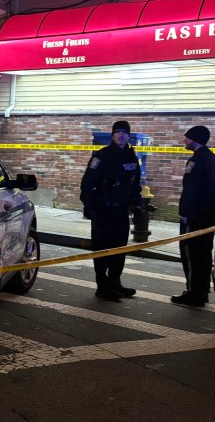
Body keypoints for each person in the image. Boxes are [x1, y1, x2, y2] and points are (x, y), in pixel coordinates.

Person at [80, 120, 143, 301]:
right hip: (103, 211)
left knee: (119, 249)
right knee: (101, 250)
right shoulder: (102, 156)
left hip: (121, 212)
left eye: (124, 132)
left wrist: (137, 206)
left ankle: (115, 283)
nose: (121, 135)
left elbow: (135, 185)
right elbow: (87, 184)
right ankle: (102, 286)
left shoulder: (131, 157)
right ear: (112, 135)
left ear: (129, 136)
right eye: (117, 132)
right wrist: (89, 206)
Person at [172, 125, 215, 308]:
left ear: (195, 139)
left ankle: (194, 293)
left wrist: (185, 213)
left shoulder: (197, 160)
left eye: (186, 138)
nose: (184, 141)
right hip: (210, 215)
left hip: (196, 216)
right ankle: (202, 292)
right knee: (203, 255)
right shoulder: (212, 159)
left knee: (192, 255)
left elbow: (191, 190)